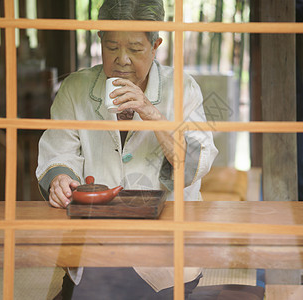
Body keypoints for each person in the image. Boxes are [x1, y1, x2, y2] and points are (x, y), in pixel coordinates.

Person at [35, 0, 218, 299]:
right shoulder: (76, 88)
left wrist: (152, 114)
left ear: (156, 44)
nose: (122, 59)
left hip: (164, 250)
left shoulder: (182, 88)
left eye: (135, 49)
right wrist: (60, 179)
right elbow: (59, 152)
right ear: (99, 41)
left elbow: (194, 164)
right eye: (111, 47)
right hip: (96, 245)